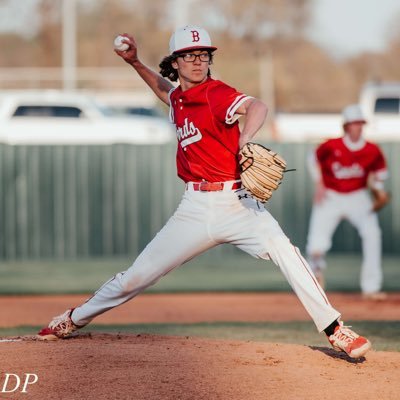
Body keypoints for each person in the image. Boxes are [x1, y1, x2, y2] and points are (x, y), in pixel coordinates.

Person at [37, 26, 371, 359]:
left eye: (203, 55)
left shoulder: (217, 93)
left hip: (239, 204)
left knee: (287, 252)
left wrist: (244, 139)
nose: (198, 61)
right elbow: (166, 91)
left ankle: (335, 329)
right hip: (194, 208)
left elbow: (257, 106)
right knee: (135, 277)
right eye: (189, 55)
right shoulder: (179, 98)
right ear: (176, 62)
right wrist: (135, 62)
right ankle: (73, 319)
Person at [306, 104, 390, 299]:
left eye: (360, 123)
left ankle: (371, 287)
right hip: (331, 195)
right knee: (316, 244)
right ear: (346, 126)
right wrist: (319, 183)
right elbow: (312, 158)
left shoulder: (372, 149)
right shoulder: (331, 146)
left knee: (373, 234)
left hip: (357, 197)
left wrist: (378, 190)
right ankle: (314, 280)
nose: (357, 127)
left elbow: (381, 173)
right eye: (354, 123)